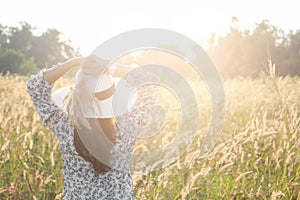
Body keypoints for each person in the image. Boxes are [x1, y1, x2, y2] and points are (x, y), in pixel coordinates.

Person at [27, 56, 159, 199]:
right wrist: (111, 67)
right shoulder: (126, 128)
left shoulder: (65, 128)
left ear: (77, 97)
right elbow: (151, 81)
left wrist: (74, 62)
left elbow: (35, 87)